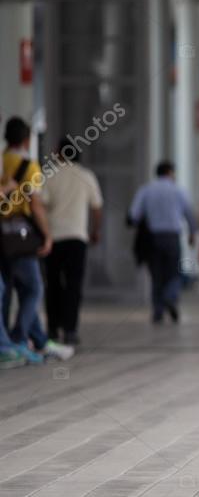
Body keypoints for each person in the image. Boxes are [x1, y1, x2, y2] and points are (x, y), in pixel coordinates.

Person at [0, 117, 73, 363]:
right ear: (26, 139)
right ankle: (17, 339)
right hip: (19, 237)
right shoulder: (28, 166)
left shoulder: (3, 160)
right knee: (33, 288)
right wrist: (48, 235)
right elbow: (36, 205)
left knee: (7, 289)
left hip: (2, 237)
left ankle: (34, 341)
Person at [41, 138, 103, 346]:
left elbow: (41, 204)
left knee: (53, 284)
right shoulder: (86, 176)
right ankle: (70, 329)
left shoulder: (48, 175)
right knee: (74, 285)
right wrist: (95, 231)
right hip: (77, 238)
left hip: (53, 238)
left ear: (59, 153)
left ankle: (52, 328)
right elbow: (96, 207)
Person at [128, 161, 197, 323]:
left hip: (153, 238)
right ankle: (169, 297)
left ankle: (158, 310)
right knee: (174, 272)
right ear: (170, 172)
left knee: (156, 275)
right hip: (172, 237)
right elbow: (189, 213)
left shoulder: (145, 190)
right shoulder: (178, 190)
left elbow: (134, 215)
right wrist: (192, 233)